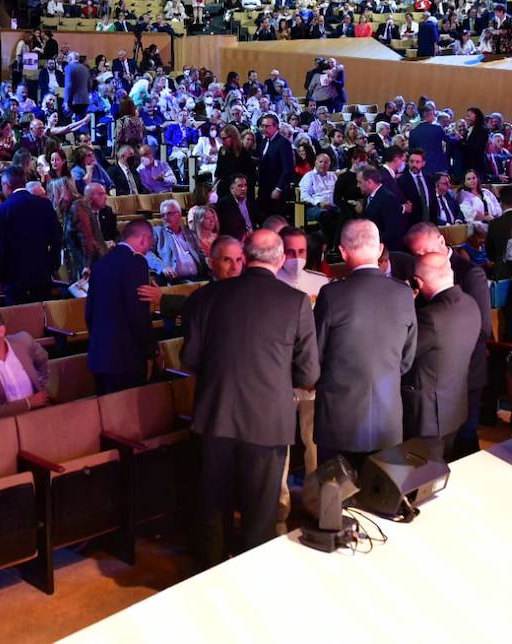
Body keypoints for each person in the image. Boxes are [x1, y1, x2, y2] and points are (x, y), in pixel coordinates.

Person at [181, 230, 318, 567]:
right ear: (281, 258)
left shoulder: (205, 297)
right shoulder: (296, 302)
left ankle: (210, 576)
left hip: (215, 416)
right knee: (259, 515)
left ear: (245, 255)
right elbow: (308, 374)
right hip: (268, 422)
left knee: (213, 509)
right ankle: (250, 584)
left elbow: (190, 359)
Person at [313, 220, 417, 467]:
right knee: (381, 498)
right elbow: (406, 359)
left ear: (343, 251)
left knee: (336, 499)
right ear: (380, 249)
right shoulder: (403, 293)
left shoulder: (332, 295)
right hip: (387, 418)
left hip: (339, 419)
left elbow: (315, 354)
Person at [405, 252, 481, 456]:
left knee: (423, 479)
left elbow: (402, 355)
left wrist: (406, 304)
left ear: (418, 282)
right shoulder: (471, 304)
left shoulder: (430, 317)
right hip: (455, 408)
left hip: (429, 417)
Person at [86, 219, 162, 395]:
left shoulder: (100, 264)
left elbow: (89, 312)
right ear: (144, 239)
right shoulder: (137, 263)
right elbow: (138, 314)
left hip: (100, 355)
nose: (148, 249)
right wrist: (153, 350)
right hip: (126, 358)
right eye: (149, 244)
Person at [0, 166, 62, 304]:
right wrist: (52, 266)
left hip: (14, 278)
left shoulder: (2, 210)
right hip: (42, 274)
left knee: (19, 320)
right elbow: (56, 239)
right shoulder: (44, 204)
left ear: (6, 185)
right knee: (42, 319)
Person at [148, 199, 207, 283]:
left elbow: (201, 254)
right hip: (175, 280)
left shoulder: (190, 233)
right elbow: (147, 253)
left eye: (169, 214)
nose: (165, 218)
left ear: (179, 215)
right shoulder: (157, 233)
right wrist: (162, 267)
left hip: (199, 277)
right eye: (162, 215)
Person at [255, 114, 294, 222]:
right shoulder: (263, 142)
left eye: (267, 126)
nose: (264, 129)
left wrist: (278, 188)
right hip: (264, 189)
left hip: (276, 191)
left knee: (275, 221)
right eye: (262, 126)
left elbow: (288, 169)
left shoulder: (283, 143)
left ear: (276, 126)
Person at [214, 172, 255, 240]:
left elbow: (257, 219)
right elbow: (228, 228)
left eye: (245, 185)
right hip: (235, 240)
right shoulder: (224, 204)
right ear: (231, 188)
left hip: (254, 236)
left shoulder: (250, 201)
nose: (243, 189)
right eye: (240, 186)